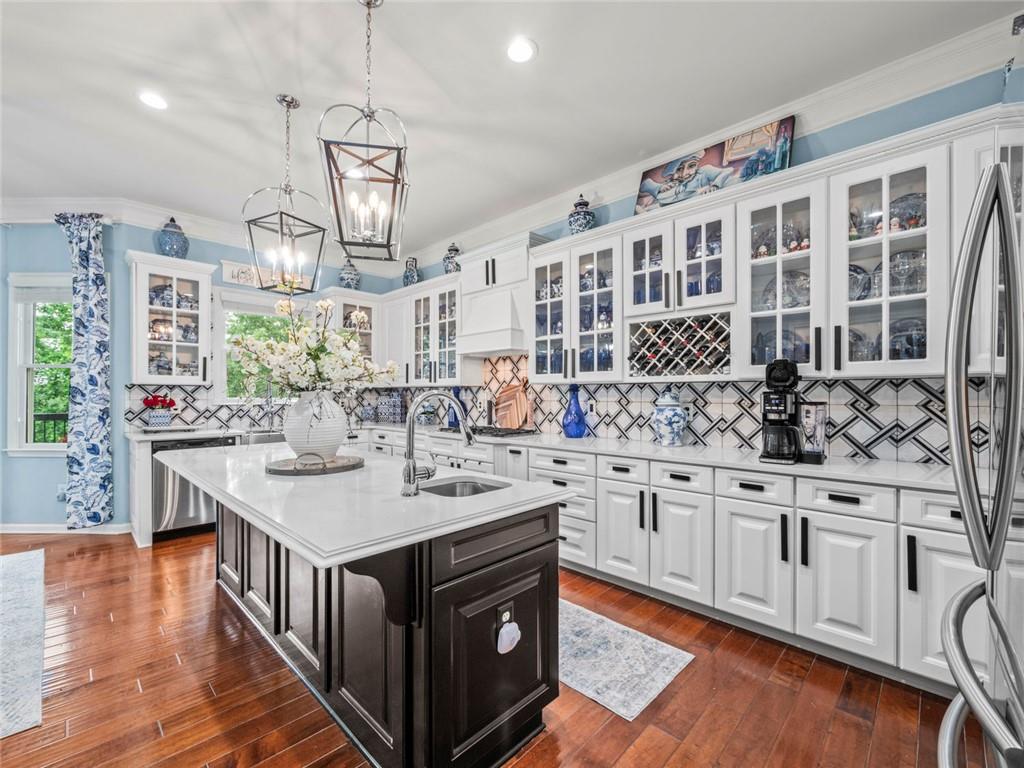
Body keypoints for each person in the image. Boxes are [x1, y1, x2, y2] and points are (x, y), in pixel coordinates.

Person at [637, 150, 735, 212]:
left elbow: (728, 171)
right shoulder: (671, 183)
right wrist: (659, 187)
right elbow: (645, 184)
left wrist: (715, 186)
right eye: (679, 169)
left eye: (691, 166)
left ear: (696, 164)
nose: (684, 174)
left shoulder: (704, 171)